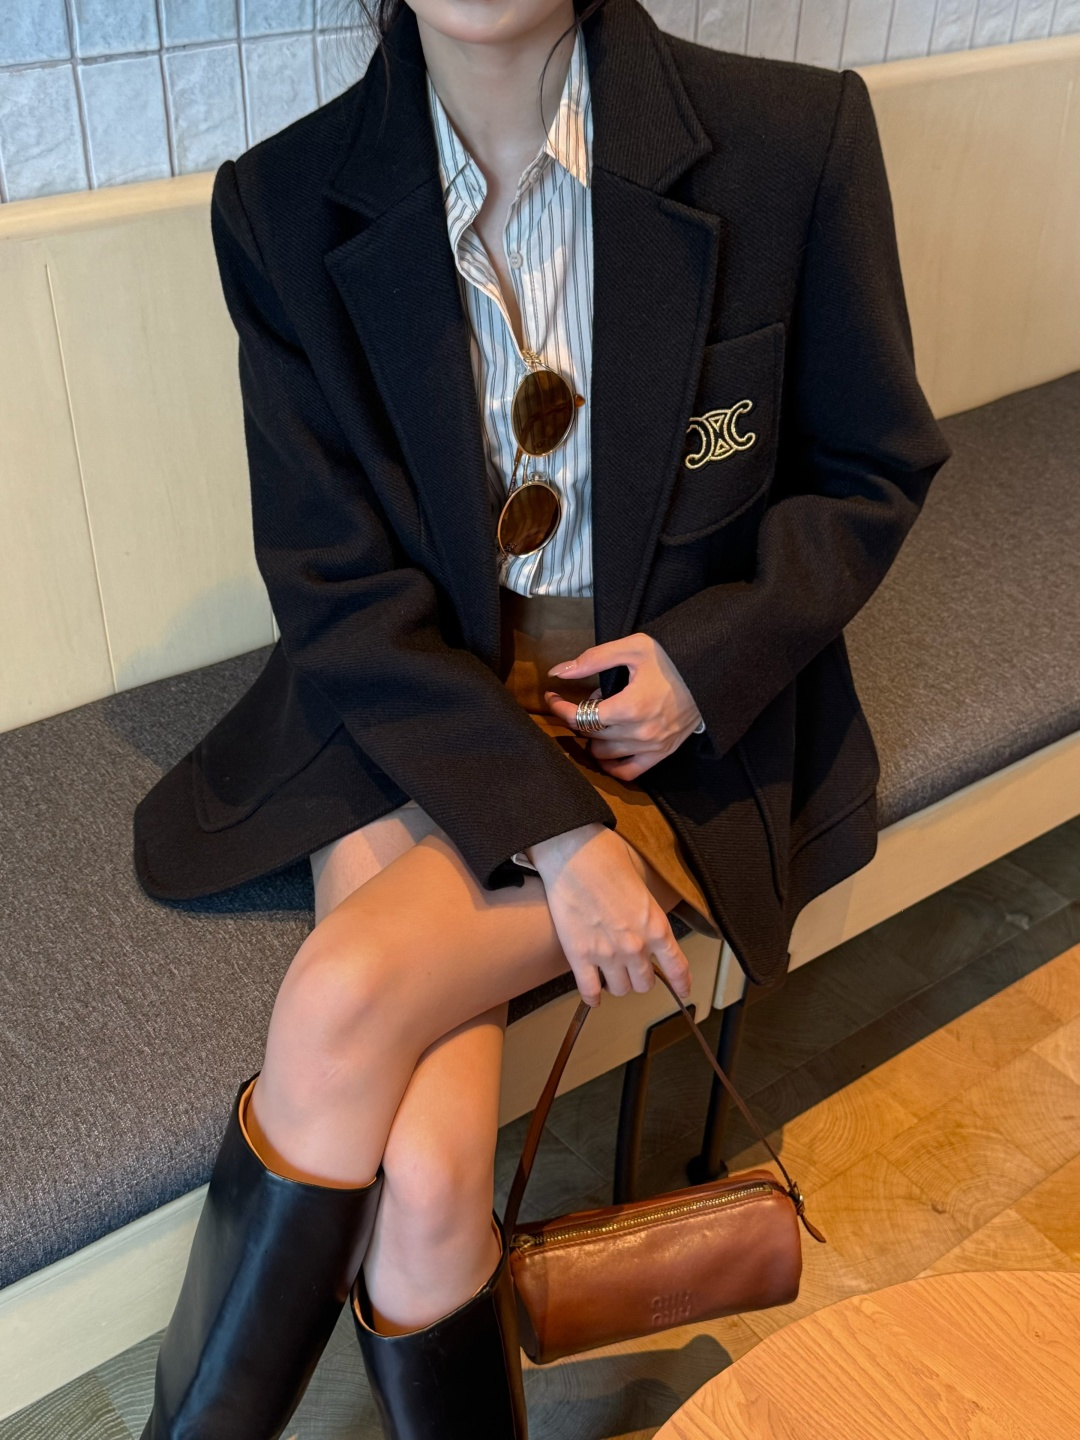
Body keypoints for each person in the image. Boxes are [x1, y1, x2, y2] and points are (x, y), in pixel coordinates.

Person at [134, 0, 949, 1435]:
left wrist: (702, 662)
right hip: (414, 705)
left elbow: (871, 469)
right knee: (430, 1173)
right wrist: (563, 842)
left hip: (671, 731)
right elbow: (337, 593)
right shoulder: (279, 203)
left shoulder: (791, 143)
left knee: (348, 1022)